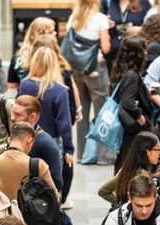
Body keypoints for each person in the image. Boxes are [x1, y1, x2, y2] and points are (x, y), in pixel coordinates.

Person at [68, 0, 113, 161]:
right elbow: (106, 47)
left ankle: (81, 155)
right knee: (102, 113)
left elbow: (69, 42)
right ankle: (104, 156)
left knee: (82, 112)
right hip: (96, 68)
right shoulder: (100, 18)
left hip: (77, 69)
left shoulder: (74, 17)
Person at [18, 46, 75, 169]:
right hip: (51, 141)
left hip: (26, 139)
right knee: (52, 184)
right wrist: (68, 148)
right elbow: (64, 123)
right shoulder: (59, 90)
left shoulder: (25, 85)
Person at [0, 122, 60, 202]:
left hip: (1, 213)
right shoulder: (38, 165)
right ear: (30, 141)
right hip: (29, 214)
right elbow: (54, 197)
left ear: (8, 140)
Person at [111, 36, 153, 173]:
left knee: (124, 158)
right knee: (130, 160)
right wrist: (140, 118)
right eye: (144, 50)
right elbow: (128, 102)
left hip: (126, 126)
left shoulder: (121, 72)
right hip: (133, 128)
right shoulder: (132, 75)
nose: (146, 53)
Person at [10, 95, 63, 193]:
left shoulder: (46, 144)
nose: (12, 118)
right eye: (12, 113)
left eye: (18, 115)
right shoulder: (14, 135)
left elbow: (56, 183)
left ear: (32, 117)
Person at [99, 131, 160, 205]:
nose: (159, 153)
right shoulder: (143, 176)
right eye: (157, 149)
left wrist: (121, 204)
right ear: (147, 152)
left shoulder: (126, 169)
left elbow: (103, 191)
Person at [100, 0, 152, 75]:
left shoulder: (143, 3)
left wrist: (141, 29)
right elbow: (98, 21)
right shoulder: (107, 2)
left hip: (135, 53)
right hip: (112, 55)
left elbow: (152, 26)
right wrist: (105, 22)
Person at [7, 17, 56, 92]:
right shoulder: (52, 55)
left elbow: (12, 87)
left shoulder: (17, 57)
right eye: (51, 32)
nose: (55, 33)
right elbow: (12, 86)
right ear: (40, 35)